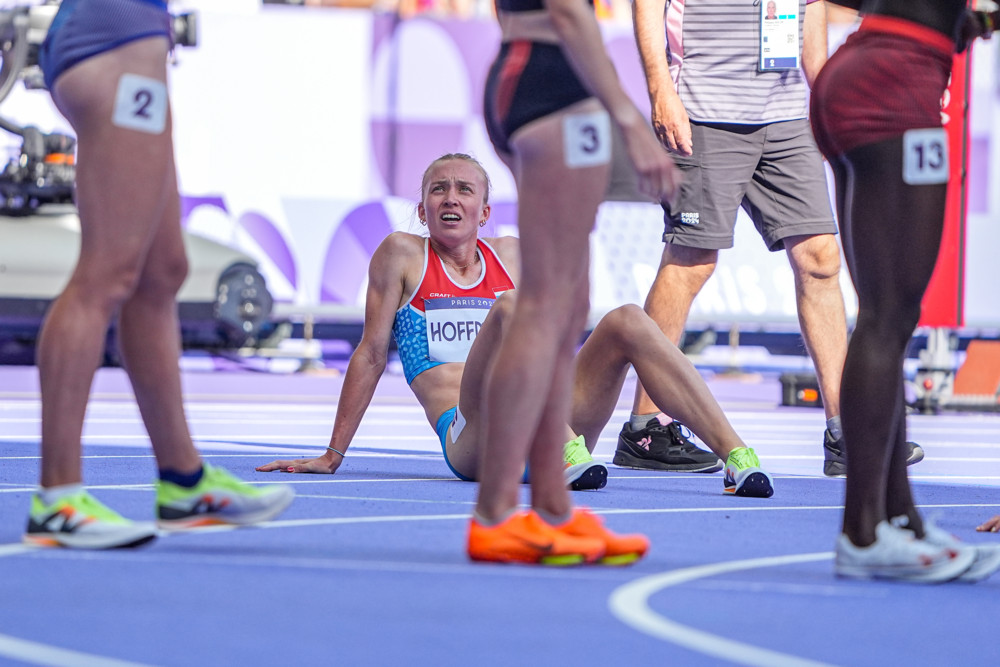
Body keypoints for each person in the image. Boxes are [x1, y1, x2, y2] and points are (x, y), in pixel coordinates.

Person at [257, 154, 773, 504]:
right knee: (508, 308)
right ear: (422, 210)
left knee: (627, 320)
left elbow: (560, 332)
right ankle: (556, 447)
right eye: (438, 190)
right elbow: (370, 354)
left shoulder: (509, 255)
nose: (450, 199)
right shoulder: (402, 254)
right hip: (472, 435)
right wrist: (333, 453)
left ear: (484, 212)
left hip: (551, 416)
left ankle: (737, 457)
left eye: (464, 190)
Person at [23, 0, 294, 550]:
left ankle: (183, 481)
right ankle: (58, 499)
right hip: (113, 41)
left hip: (130, 43)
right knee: (106, 273)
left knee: (160, 270)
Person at [628, 0, 923, 478]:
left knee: (821, 258)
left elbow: (809, 11)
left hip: (786, 118)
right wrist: (661, 90)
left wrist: (826, 100)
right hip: (704, 109)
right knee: (691, 260)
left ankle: (847, 432)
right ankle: (646, 428)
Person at [811, 0, 1000, 582]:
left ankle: (900, 519)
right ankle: (862, 534)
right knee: (888, 318)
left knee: (886, 317)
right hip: (895, 85)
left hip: (859, 69)